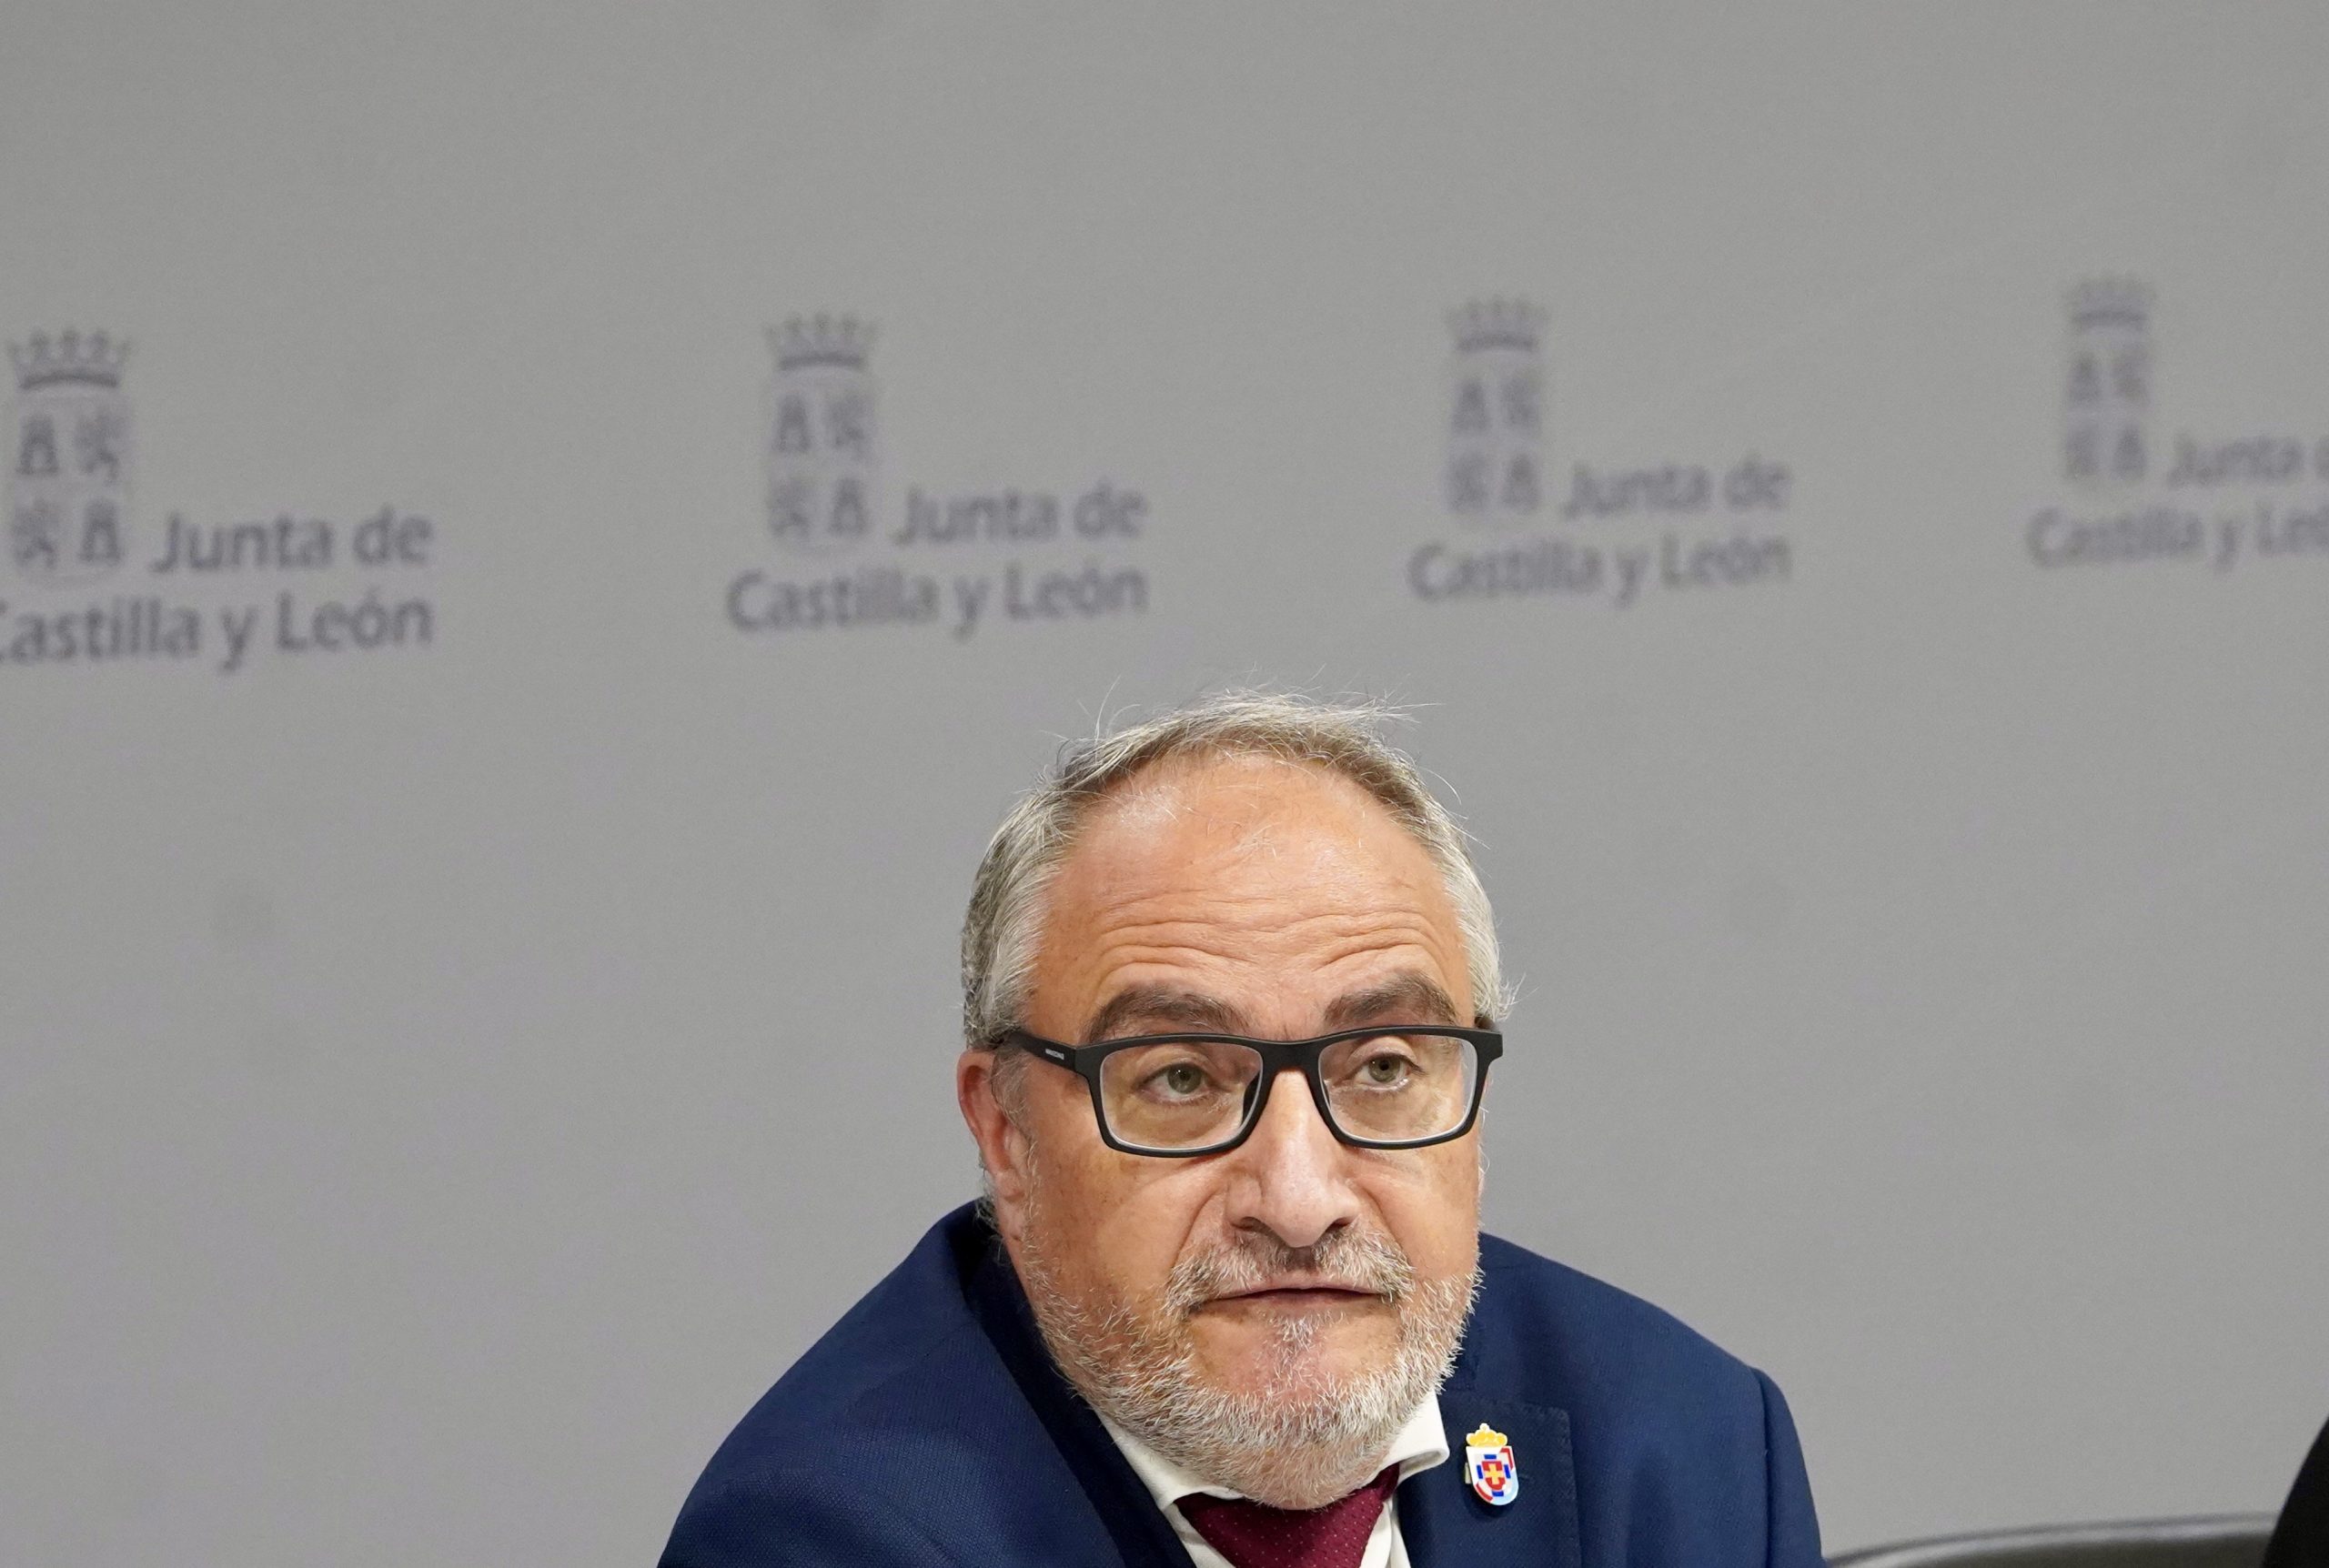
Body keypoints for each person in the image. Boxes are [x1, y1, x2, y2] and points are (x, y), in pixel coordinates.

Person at [661, 692, 1822, 1567]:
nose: (1299, 1195)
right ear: (1007, 1133)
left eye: (1380, 1066)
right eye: (1178, 1078)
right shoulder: (829, 1534)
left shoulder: (1688, 1446)